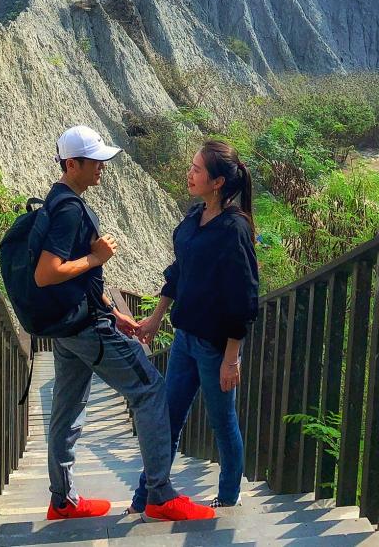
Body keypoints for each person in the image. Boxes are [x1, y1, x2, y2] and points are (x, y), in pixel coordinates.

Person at [36, 124, 215, 523]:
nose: (102, 167)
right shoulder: (69, 209)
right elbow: (47, 273)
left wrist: (112, 310)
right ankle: (160, 494)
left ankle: (62, 500)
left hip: (67, 325)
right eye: (95, 161)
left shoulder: (56, 199)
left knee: (67, 408)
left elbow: (78, 278)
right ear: (71, 164)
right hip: (84, 328)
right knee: (150, 389)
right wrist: (96, 258)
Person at [128, 139, 259, 514]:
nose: (189, 174)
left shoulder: (233, 229)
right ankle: (146, 497)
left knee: (222, 423)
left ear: (217, 182)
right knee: (166, 421)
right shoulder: (194, 216)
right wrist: (156, 317)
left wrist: (231, 358)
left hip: (215, 347)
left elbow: (244, 296)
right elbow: (178, 272)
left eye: (197, 169)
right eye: (192, 167)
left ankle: (228, 498)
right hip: (185, 339)